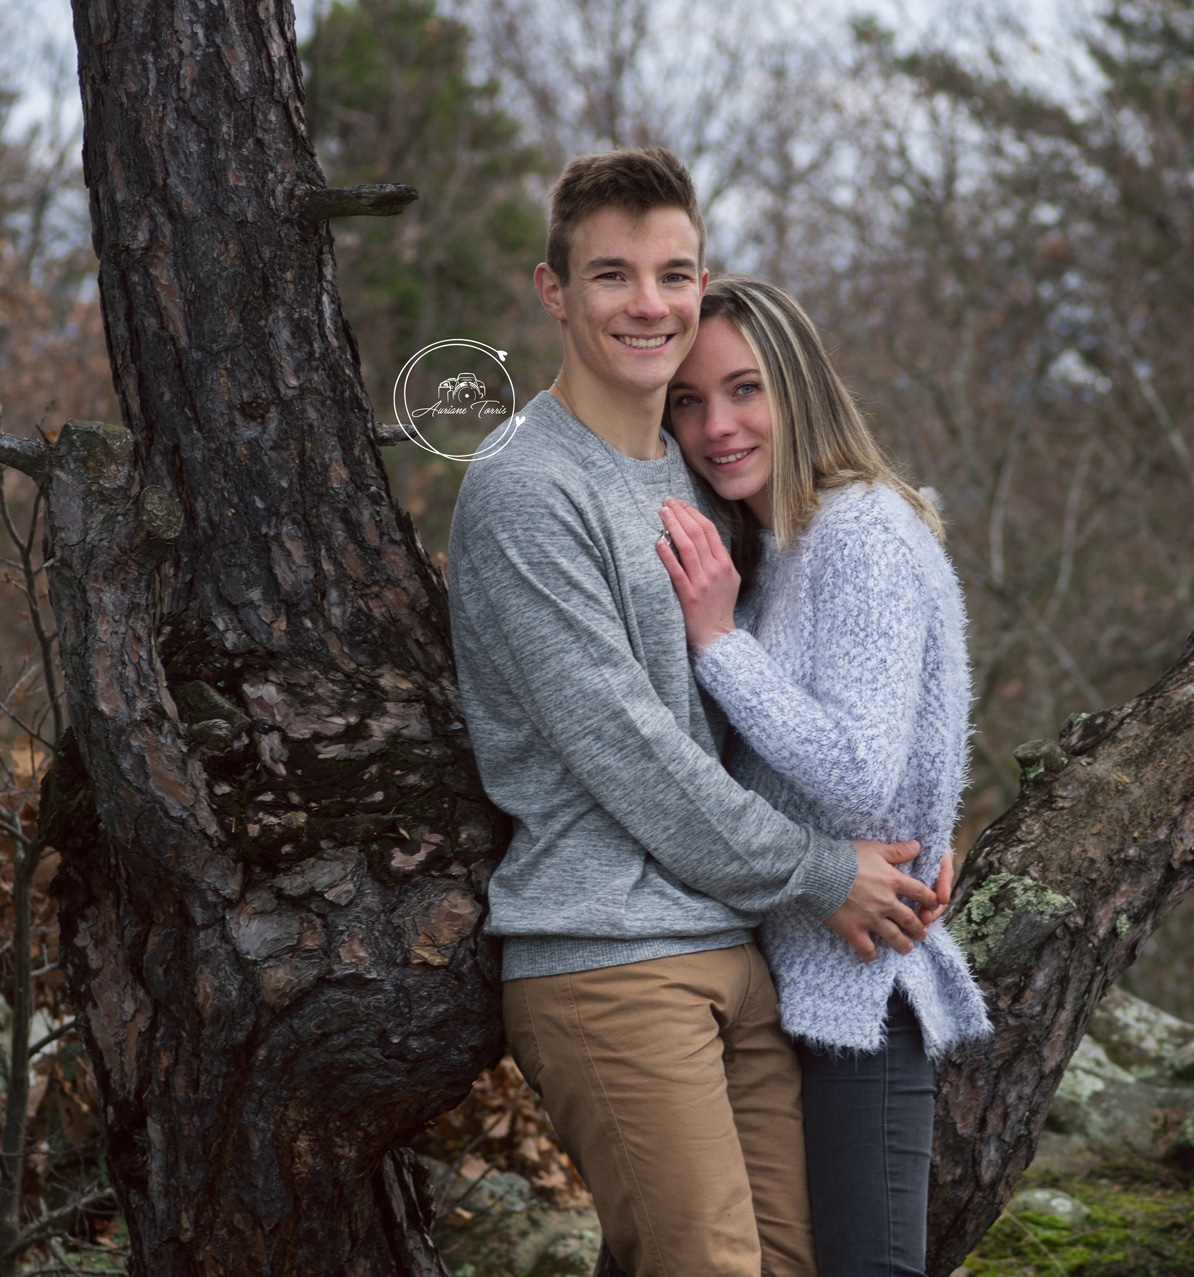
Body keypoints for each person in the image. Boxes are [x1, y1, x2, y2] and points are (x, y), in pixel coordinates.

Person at [446, 148, 945, 1277]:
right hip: (610, 956)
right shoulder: (527, 486)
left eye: (675, 273)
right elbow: (632, 752)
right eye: (613, 274)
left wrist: (924, 839)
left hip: (737, 945)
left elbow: (803, 702)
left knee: (789, 1261)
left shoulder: (690, 469)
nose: (650, 304)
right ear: (553, 290)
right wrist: (829, 871)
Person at [655, 275, 994, 1277]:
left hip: (851, 996)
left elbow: (860, 771)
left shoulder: (859, 531)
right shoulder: (772, 547)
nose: (717, 424)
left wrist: (717, 644)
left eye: (745, 389)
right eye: (687, 398)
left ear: (800, 386)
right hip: (773, 977)